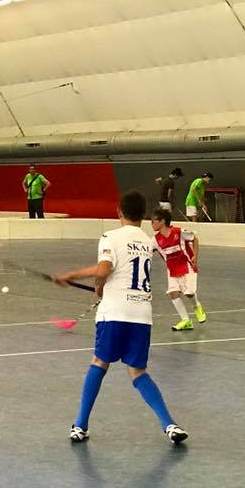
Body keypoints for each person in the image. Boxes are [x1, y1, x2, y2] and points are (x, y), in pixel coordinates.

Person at [53, 190, 188, 445]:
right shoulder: (147, 241)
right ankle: (169, 424)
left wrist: (72, 275)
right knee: (138, 371)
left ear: (119, 212)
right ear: (144, 215)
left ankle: (80, 425)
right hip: (141, 314)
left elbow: (104, 269)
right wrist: (101, 286)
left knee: (99, 363)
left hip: (114, 312)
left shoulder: (110, 236)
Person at [151, 209, 207, 332]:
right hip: (172, 269)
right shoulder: (155, 240)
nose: (152, 223)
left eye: (154, 220)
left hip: (187, 266)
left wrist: (195, 256)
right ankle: (186, 320)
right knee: (173, 293)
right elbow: (146, 251)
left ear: (162, 221)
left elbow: (195, 239)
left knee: (189, 293)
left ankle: (197, 306)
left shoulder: (179, 232)